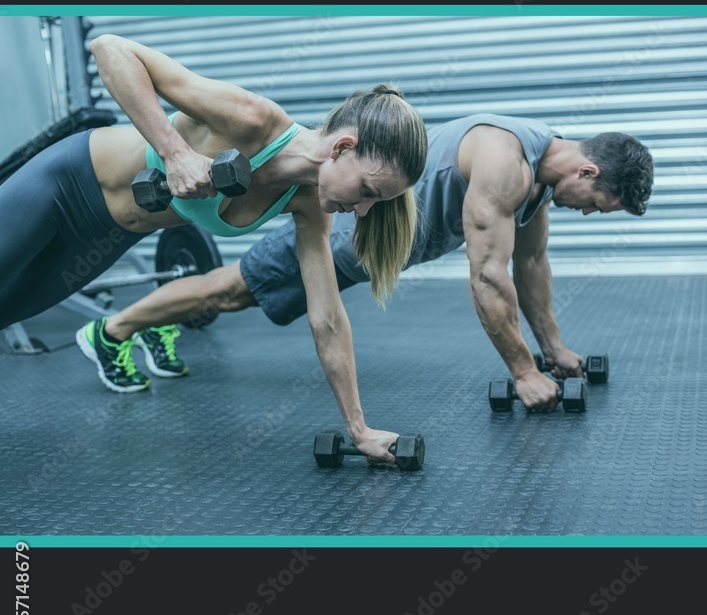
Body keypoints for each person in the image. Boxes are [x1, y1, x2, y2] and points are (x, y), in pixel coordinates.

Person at [0, 34, 428, 464]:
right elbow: (108, 47)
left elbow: (327, 317)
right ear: (342, 147)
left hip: (105, 238)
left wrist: (359, 429)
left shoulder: (307, 204)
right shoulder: (250, 119)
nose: (364, 210)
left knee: (7, 309)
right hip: (61, 186)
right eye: (368, 191)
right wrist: (174, 153)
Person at [96, 112, 654, 413]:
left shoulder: (539, 182)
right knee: (234, 290)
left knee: (238, 291)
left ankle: (143, 329)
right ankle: (113, 329)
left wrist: (552, 350)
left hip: (378, 248)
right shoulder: (506, 160)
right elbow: (488, 275)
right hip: (347, 231)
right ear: (589, 173)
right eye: (601, 207)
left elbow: (531, 268)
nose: (591, 216)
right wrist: (524, 372)